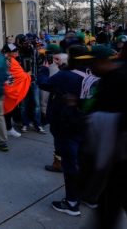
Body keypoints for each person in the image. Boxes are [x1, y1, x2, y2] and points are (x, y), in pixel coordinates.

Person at [85, 45, 127, 228]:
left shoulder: (119, 79)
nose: (90, 68)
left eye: (92, 63)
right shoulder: (120, 74)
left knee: (111, 202)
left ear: (101, 62)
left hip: (123, 154)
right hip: (124, 155)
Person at [38, 45, 93, 217]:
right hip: (87, 123)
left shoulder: (64, 75)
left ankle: (71, 202)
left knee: (70, 163)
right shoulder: (92, 73)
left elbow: (44, 83)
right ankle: (90, 196)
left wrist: (44, 69)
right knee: (85, 160)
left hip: (67, 124)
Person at [2, 43, 31, 139]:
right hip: (8, 89)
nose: (16, 52)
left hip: (9, 88)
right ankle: (8, 128)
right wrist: (27, 76)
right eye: (14, 51)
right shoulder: (7, 60)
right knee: (8, 109)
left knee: (9, 109)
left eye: (17, 50)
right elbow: (15, 75)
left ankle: (8, 127)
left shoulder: (9, 59)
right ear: (8, 53)